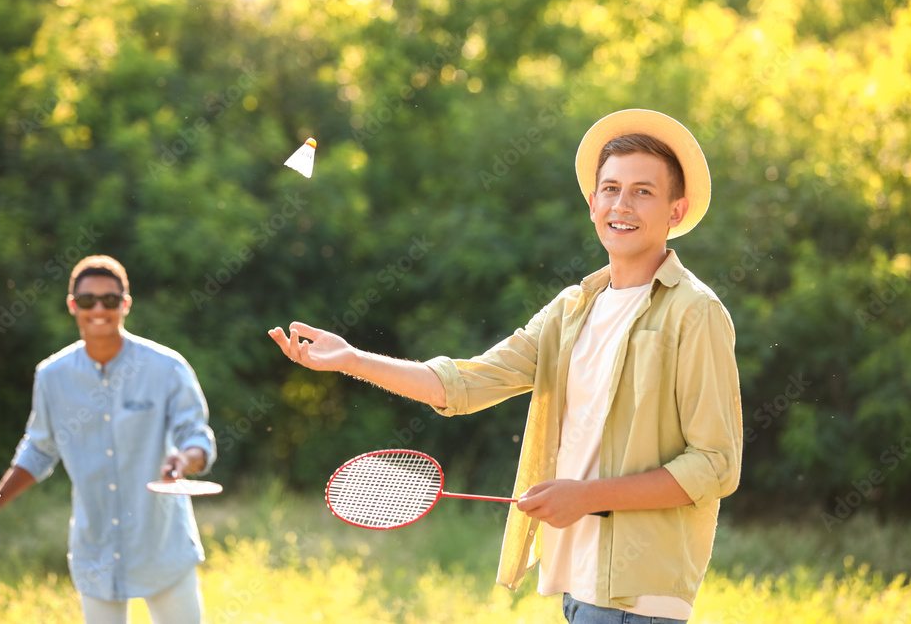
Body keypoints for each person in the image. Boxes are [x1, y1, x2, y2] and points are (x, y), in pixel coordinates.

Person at [269, 109, 742, 622]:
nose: (621, 205)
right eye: (610, 189)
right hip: (576, 585)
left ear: (677, 210)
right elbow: (465, 384)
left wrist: (586, 497)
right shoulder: (571, 309)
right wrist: (352, 359)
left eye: (643, 192)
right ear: (592, 203)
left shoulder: (695, 313)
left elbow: (714, 464)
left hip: (639, 596)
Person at [0, 255, 217, 624]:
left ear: (126, 304)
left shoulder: (167, 367)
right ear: (73, 305)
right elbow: (38, 450)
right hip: (95, 550)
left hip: (163, 546)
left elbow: (197, 437)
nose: (98, 309)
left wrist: (184, 459)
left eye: (110, 300)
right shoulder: (52, 376)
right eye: (87, 301)